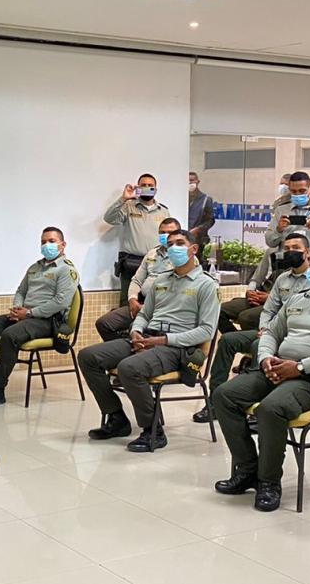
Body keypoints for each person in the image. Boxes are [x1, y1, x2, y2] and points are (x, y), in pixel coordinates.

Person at [211, 247, 310, 512]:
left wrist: (299, 367)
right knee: (224, 396)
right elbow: (272, 333)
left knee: (271, 408)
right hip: (277, 367)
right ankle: (248, 469)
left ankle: (269, 482)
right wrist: (265, 359)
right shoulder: (297, 299)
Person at [79, 230, 219, 452]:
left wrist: (162, 340)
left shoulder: (206, 285)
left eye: (180, 243)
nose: (173, 248)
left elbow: (206, 331)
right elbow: (144, 314)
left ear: (194, 249)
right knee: (88, 357)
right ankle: (117, 419)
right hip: (146, 337)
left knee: (129, 368)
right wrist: (135, 331)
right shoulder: (161, 280)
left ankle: (153, 430)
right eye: (170, 244)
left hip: (176, 347)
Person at [194, 233, 310, 424]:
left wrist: (269, 334)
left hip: (295, 336)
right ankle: (214, 401)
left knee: (259, 346)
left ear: (307, 252)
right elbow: (269, 309)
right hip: (272, 331)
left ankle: (255, 403)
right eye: (287, 248)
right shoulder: (282, 278)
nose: (291, 252)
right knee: (227, 341)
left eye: (296, 248)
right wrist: (265, 328)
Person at [0, 227, 77, 408]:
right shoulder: (35, 267)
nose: (47, 245)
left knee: (10, 335)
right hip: (24, 315)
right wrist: (18, 309)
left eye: (52, 241)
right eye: (43, 241)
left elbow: (60, 303)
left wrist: (29, 313)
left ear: (63, 245)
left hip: (47, 320)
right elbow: (21, 291)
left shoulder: (66, 270)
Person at [217, 175, 293, 334]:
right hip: (258, 295)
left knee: (246, 317)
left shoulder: (300, 259)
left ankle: (250, 344)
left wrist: (269, 298)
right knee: (218, 311)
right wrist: (251, 290)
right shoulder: (271, 250)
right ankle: (235, 341)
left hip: (276, 300)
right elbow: (257, 277)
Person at [94, 217, 182, 341]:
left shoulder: (183, 257)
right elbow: (136, 280)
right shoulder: (152, 254)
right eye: (162, 232)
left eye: (170, 232)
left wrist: (150, 308)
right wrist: (132, 300)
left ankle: (136, 349)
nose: (166, 235)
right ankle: (127, 350)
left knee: (138, 331)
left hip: (164, 309)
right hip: (141, 304)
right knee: (104, 323)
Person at [104, 173, 171, 307]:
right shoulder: (129, 206)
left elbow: (170, 235)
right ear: (138, 188)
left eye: (150, 186)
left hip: (155, 264)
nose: (147, 187)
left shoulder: (163, 211)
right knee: (127, 305)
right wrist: (123, 198)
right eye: (143, 185)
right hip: (131, 263)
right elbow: (109, 218)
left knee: (154, 304)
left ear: (155, 189)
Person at [188, 172, 217, 258]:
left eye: (192, 180)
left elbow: (210, 220)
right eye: (187, 181)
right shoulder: (181, 197)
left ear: (197, 181)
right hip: (183, 238)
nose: (190, 183)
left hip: (198, 240)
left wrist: (198, 229)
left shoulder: (205, 199)